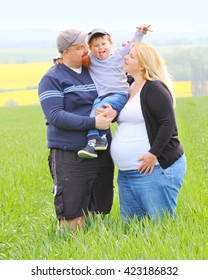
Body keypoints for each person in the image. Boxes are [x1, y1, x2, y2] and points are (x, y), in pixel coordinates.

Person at [38, 28, 117, 232]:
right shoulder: (52, 78)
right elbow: (55, 116)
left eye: (85, 46)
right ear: (65, 52)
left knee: (99, 211)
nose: (86, 51)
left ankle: (93, 254)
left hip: (100, 150)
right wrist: (93, 123)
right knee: (71, 214)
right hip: (69, 153)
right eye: (79, 47)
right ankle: (69, 255)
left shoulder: (95, 71)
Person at [109, 41, 187, 222]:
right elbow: (104, 69)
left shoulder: (154, 88)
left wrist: (153, 154)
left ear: (143, 65)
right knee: (132, 230)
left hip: (154, 169)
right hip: (127, 173)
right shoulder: (128, 85)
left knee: (159, 227)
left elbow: (168, 124)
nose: (126, 57)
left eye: (131, 55)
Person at [77, 25, 151, 159]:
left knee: (99, 111)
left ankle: (91, 143)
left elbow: (132, 45)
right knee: (94, 113)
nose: (100, 47)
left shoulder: (118, 55)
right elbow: (75, 56)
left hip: (119, 94)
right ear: (91, 49)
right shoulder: (91, 60)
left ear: (110, 44)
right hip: (102, 96)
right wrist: (58, 58)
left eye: (103, 43)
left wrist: (141, 32)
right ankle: (102, 138)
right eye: (96, 45)